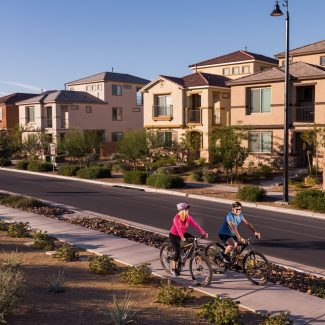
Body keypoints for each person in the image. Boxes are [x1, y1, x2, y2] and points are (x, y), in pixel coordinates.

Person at [169, 202, 208, 276]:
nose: (188, 211)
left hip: (183, 234)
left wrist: (203, 232)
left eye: (188, 209)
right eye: (186, 210)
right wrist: (182, 237)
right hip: (174, 235)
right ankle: (173, 268)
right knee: (177, 251)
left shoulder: (188, 217)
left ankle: (198, 264)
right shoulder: (176, 218)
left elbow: (196, 225)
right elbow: (178, 229)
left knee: (195, 241)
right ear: (182, 211)